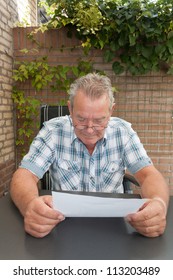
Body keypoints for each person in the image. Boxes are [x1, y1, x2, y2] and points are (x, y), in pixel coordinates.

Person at [10, 73, 169, 238]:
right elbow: (24, 175)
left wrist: (159, 204)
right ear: (70, 109)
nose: (90, 128)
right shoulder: (53, 131)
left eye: (99, 120)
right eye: (81, 119)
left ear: (111, 110)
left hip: (114, 226)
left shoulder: (123, 132)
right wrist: (29, 205)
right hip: (62, 224)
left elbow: (149, 175)